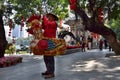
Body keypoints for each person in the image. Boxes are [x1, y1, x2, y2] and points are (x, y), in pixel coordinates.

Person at [41, 13, 58, 78]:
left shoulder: (54, 23)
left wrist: (44, 17)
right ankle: (48, 70)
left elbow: (47, 23)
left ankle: (51, 73)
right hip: (45, 41)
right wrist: (42, 18)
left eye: (50, 17)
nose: (48, 18)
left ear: (53, 18)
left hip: (51, 42)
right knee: (45, 57)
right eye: (48, 17)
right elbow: (43, 26)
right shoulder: (48, 23)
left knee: (50, 57)